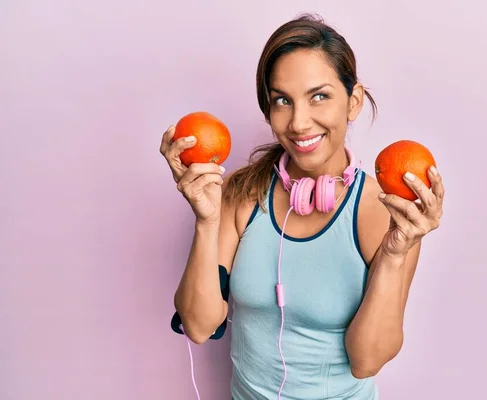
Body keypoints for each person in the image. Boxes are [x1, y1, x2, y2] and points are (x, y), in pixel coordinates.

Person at [159, 13, 444, 400]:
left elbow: (366, 361)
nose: (298, 122)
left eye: (319, 96)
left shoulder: (387, 214)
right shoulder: (243, 195)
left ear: (354, 101)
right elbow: (198, 325)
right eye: (282, 101)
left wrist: (395, 255)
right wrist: (206, 221)